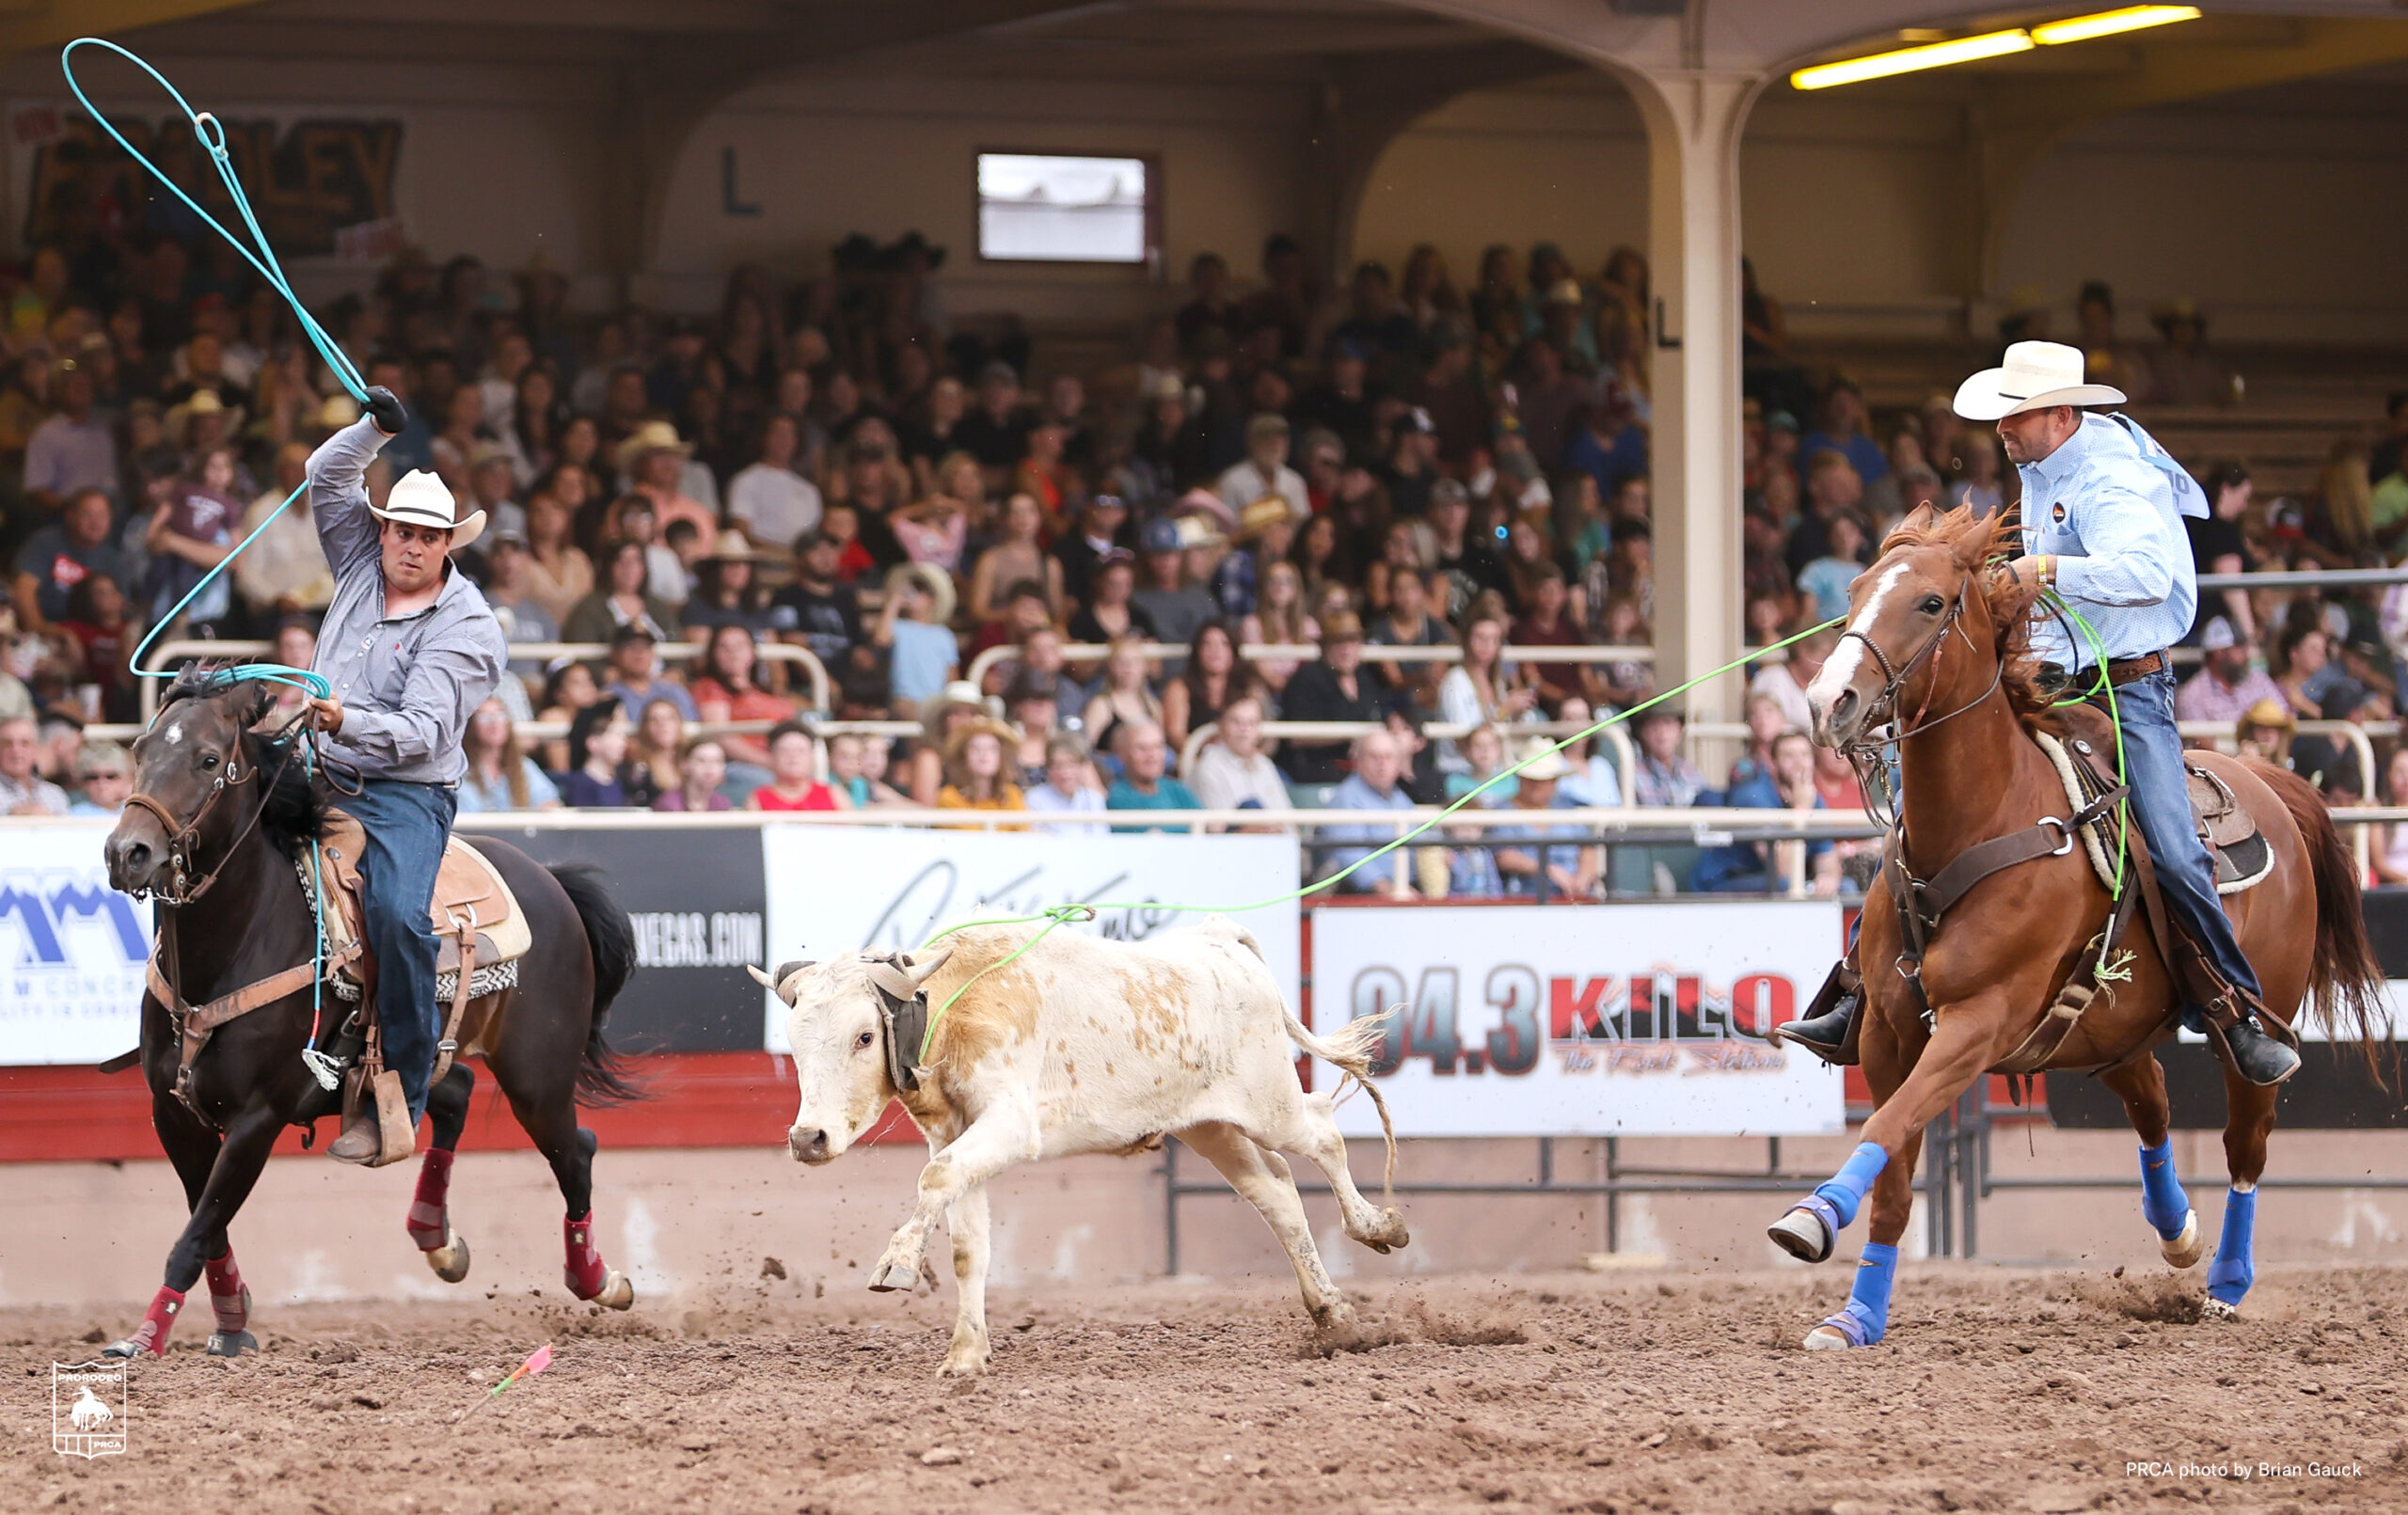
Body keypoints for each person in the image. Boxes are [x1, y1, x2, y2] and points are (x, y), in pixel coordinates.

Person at [1783, 339, 2297, 1086]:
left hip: (2126, 687)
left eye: (2012, 415)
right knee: (1930, 818)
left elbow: (2150, 574)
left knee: (2175, 846)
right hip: (2054, 672)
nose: (1999, 430)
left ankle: (2234, 1005)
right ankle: (1859, 988)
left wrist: (2041, 568)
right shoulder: (2045, 463)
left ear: (2059, 415)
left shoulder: (2111, 479)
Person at [299, 386, 507, 1160]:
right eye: (401, 530)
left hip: (404, 795)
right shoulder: (359, 557)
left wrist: (341, 717)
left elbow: (422, 734)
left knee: (396, 915)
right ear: (382, 530)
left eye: (428, 535)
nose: (411, 546)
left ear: (448, 543)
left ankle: (404, 1090)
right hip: (322, 767)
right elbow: (327, 475)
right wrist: (375, 429)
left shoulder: (467, 625)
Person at [1278, 610, 1382, 783]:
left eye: (1353, 641)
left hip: (1360, 770)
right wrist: (1351, 734)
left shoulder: (1366, 678)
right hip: (1317, 770)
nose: (1346, 649)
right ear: (1325, 647)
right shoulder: (1307, 678)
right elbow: (1296, 737)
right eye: (1338, 642)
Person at [1322, 728, 1423, 897]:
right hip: (1362, 896)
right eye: (1374, 756)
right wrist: (1391, 891)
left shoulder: (1400, 798)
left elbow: (1420, 840)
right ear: (1358, 760)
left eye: (1388, 757)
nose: (1382, 763)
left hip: (1405, 890)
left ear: (1398, 762)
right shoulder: (1346, 798)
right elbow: (1351, 856)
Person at [13, 489, 130, 635]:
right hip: (45, 629)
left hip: (91, 638)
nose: (95, 522)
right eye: (87, 514)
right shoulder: (46, 542)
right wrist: (42, 629)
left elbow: (121, 609)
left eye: (102, 515)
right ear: (70, 516)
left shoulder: (112, 559)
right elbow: (24, 590)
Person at [1185, 693, 1291, 822]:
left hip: (1276, 839)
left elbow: (1287, 820)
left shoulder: (1265, 764)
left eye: (1251, 723)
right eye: (1236, 722)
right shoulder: (1207, 768)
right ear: (1221, 725)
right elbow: (1219, 831)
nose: (1244, 729)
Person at [2174, 616, 2286, 728]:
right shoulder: (2192, 695)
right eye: (2239, 647)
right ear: (2218, 652)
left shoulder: (2258, 679)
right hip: (2223, 746)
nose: (2246, 653)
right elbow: (2202, 741)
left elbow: (2284, 717)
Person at [456, 696, 561, 813]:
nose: (494, 724)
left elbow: (549, 805)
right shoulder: (459, 770)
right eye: (484, 718)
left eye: (500, 716)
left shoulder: (524, 766)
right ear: (470, 725)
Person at [1105, 719, 1199, 831]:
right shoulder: (1115, 796)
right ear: (1122, 754)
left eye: (1158, 747)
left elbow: (1210, 826)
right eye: (1142, 748)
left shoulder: (1176, 789)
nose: (1152, 756)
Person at [935, 717, 1027, 827]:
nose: (984, 754)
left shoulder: (1012, 794)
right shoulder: (949, 797)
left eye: (992, 749)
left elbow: (1024, 835)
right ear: (963, 757)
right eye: (976, 749)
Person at [599, 623, 699, 722]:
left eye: (645, 646)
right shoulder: (609, 697)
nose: (639, 653)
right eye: (631, 646)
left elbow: (691, 726)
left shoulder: (673, 691)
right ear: (616, 654)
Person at [1023, 731, 1110, 834]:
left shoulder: (1094, 799)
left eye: (1071, 765)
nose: (1065, 773)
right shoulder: (1034, 799)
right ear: (1048, 768)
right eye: (1057, 766)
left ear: (1083, 766)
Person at [749, 719, 845, 811]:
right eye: (785, 750)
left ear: (811, 756)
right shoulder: (757, 800)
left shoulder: (834, 794)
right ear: (772, 755)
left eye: (801, 751)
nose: (793, 756)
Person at [561, 697, 639, 809]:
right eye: (616, 735)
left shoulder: (622, 780)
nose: (622, 742)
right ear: (593, 743)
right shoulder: (581, 785)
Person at [0, 715, 69, 815]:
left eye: (25, 743)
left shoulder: (54, 794)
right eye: (7, 744)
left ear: (36, 749)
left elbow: (67, 829)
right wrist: (10, 815)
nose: (16, 750)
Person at [656, 736, 734, 812]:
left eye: (717, 761)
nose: (710, 767)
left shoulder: (722, 804)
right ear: (685, 764)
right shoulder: (668, 804)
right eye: (701, 760)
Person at [67, 738, 133, 817]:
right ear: (82, 782)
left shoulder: (134, 812)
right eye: (93, 777)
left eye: (110, 776)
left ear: (125, 778)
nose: (102, 783)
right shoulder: (73, 815)